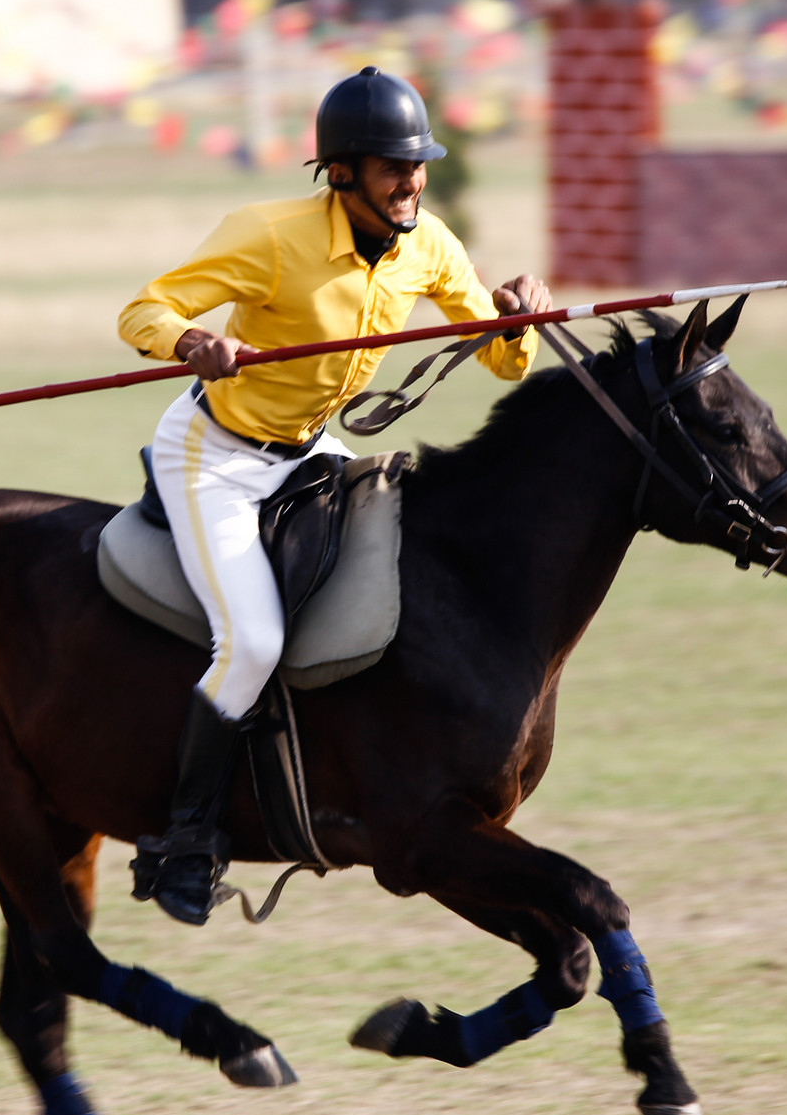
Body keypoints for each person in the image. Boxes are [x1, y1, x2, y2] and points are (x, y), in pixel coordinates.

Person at [119, 65, 551, 925]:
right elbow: (142, 308)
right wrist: (191, 338)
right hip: (219, 454)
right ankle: (184, 836)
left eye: (419, 163)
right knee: (252, 642)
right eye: (395, 166)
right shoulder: (269, 235)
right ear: (342, 172)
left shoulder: (429, 243)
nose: (413, 181)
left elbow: (504, 358)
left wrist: (519, 313)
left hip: (312, 448)